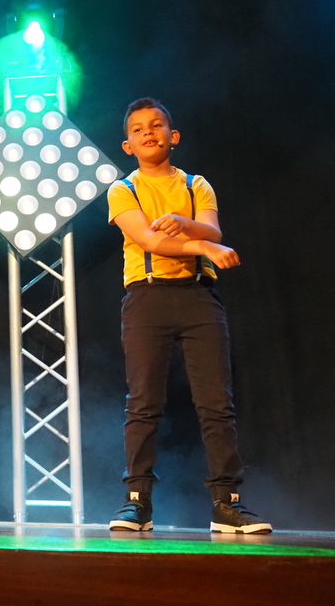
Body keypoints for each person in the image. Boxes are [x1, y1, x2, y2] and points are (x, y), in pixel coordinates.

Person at [106, 98, 271, 534]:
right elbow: (150, 240)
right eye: (138, 129)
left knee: (217, 403)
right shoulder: (123, 189)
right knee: (144, 402)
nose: (148, 132)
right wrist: (201, 244)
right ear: (128, 145)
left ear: (173, 136)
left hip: (199, 296)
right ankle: (137, 502)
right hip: (147, 297)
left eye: (156, 125)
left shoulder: (197, 185)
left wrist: (188, 225)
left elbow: (212, 228)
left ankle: (227, 503)